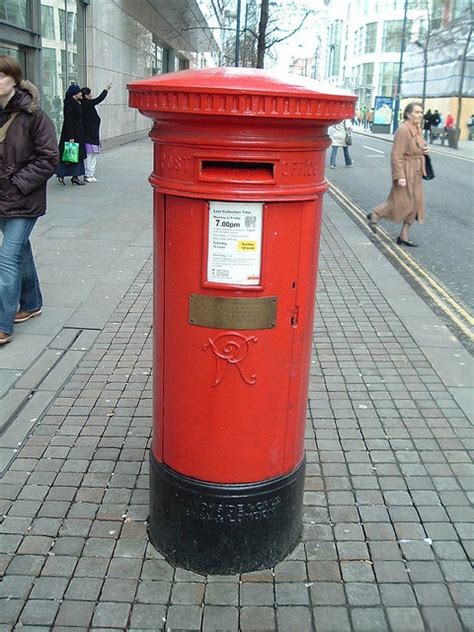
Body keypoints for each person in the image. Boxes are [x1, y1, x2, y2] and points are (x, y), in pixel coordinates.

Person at [0, 55, 59, 345]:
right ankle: (32, 302)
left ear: (14, 80)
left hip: (23, 199)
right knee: (20, 251)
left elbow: (49, 158)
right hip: (2, 198)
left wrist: (18, 183)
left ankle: (3, 323)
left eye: (0, 76)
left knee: (7, 257)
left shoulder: (34, 115)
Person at [367, 102, 429, 248]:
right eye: (416, 112)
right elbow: (396, 155)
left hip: (417, 171)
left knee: (415, 205)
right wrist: (400, 176)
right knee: (400, 202)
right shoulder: (403, 129)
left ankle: (404, 236)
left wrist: (424, 151)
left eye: (421, 112)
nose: (420, 115)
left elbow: (416, 147)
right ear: (408, 114)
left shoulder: (417, 128)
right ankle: (376, 214)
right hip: (406, 171)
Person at [80, 83, 111, 182]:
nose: (91, 96)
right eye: (90, 94)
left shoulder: (88, 104)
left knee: (93, 155)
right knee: (89, 156)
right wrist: (106, 89)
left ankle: (91, 174)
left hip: (94, 134)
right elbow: (99, 99)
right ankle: (87, 175)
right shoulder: (85, 103)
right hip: (88, 134)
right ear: (86, 95)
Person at [56, 84, 87, 185]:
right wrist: (71, 137)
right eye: (79, 92)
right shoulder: (70, 104)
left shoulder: (75, 102)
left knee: (73, 155)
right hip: (72, 133)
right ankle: (68, 175)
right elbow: (69, 120)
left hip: (76, 132)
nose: (81, 93)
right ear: (74, 94)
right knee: (71, 155)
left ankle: (74, 176)